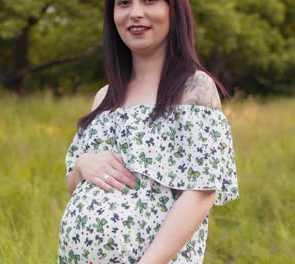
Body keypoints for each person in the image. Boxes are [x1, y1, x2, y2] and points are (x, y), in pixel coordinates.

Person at [57, 0, 239, 263]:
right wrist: (82, 166)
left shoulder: (193, 88)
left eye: (149, 1)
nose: (135, 13)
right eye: (124, 3)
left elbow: (201, 192)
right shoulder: (104, 97)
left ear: (173, 10)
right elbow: (76, 187)